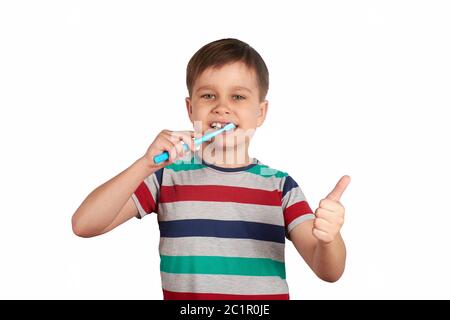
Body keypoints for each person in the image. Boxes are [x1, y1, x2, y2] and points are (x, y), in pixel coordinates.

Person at [72, 38, 351, 300]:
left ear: (261, 113)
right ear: (190, 108)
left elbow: (329, 272)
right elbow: (84, 225)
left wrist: (329, 240)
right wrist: (144, 164)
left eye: (238, 97)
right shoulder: (166, 177)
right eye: (208, 96)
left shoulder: (279, 186)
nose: (222, 108)